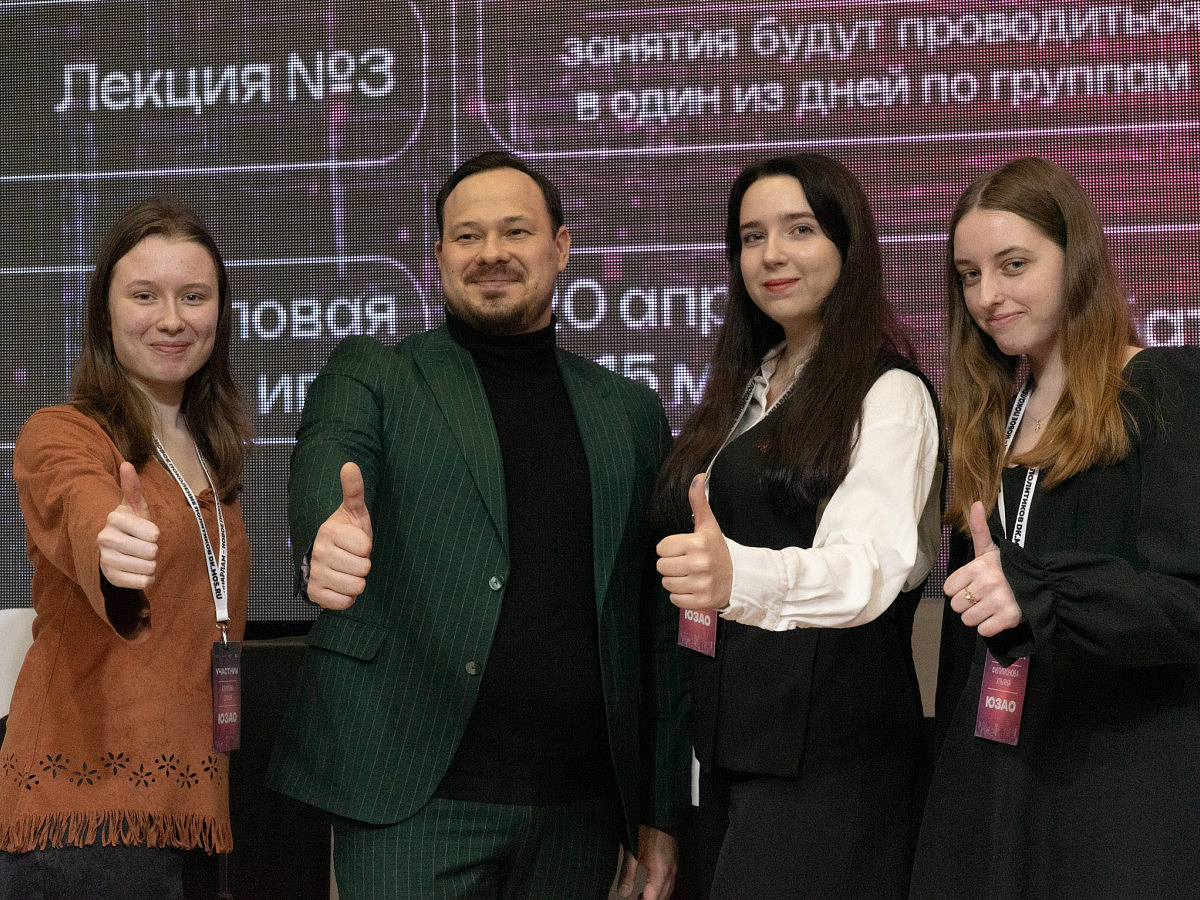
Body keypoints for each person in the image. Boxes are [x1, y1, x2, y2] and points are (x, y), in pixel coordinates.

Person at [266, 151, 689, 899]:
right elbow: (330, 463)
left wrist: (657, 812)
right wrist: (322, 541)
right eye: (467, 236)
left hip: (582, 813)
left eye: (515, 231)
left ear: (561, 247)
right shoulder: (373, 374)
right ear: (439, 257)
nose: (491, 252)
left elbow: (656, 629)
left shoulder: (629, 411)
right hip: (409, 806)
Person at [653, 154, 942, 899]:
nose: (771, 255)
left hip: (833, 762)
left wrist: (737, 575)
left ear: (849, 247)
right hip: (730, 751)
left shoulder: (890, 393)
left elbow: (866, 566)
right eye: (752, 237)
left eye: (799, 230)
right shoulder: (747, 384)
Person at [910, 156, 1200, 897]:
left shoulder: (1165, 388)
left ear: (1078, 261)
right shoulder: (989, 423)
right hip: (1000, 779)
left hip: (1122, 795)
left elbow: (1186, 601)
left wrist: (1044, 594)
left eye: (1014, 265)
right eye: (969, 275)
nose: (987, 295)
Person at [0, 196, 253, 899]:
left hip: (191, 812)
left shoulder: (213, 454)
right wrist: (112, 545)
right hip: (82, 823)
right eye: (144, 296)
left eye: (193, 296)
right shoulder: (63, 433)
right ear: (105, 315)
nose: (171, 319)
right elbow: (81, 507)